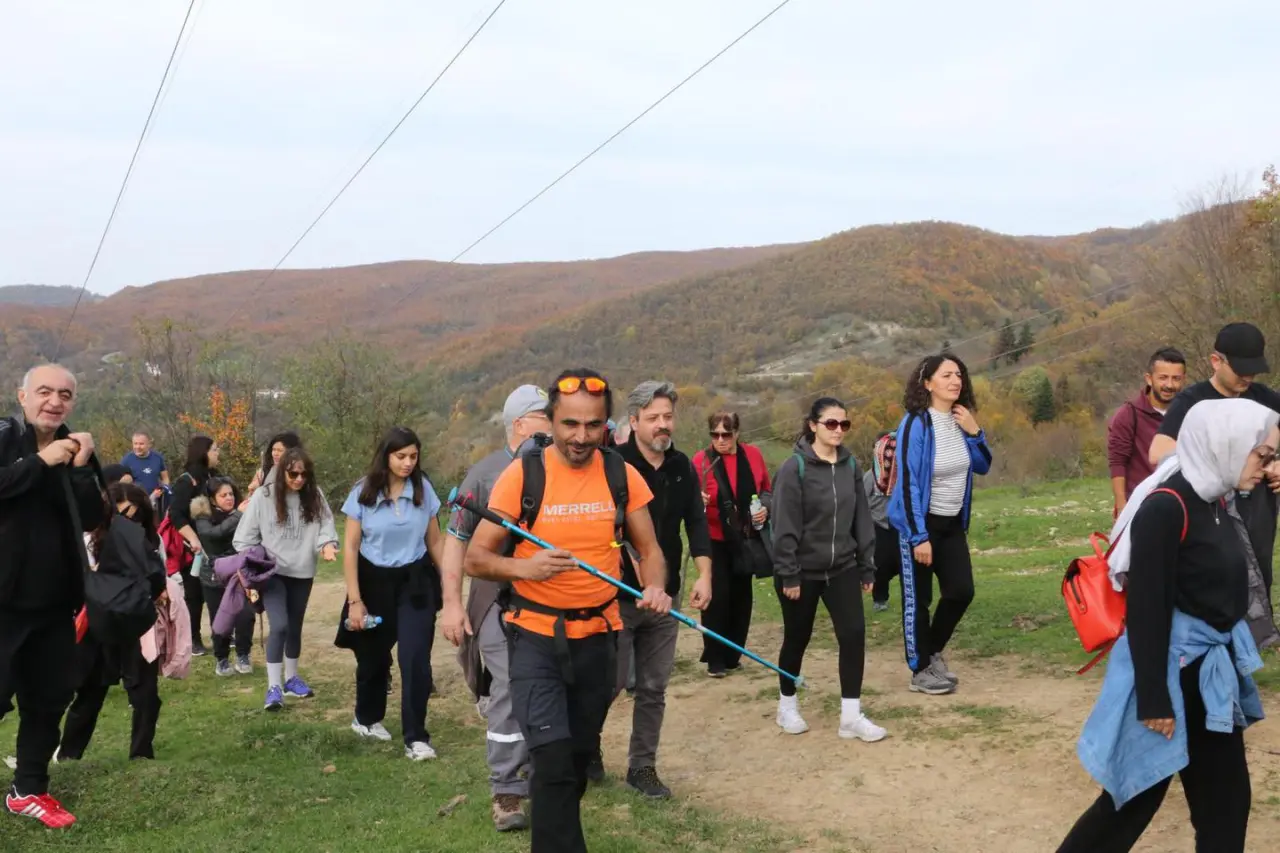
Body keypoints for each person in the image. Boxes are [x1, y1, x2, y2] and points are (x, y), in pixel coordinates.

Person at [1057, 399, 1280, 853]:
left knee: (1227, 805)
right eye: (1262, 455)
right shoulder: (1168, 505)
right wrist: (1154, 698)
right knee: (1130, 803)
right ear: (1229, 446)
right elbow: (1146, 608)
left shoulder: (1216, 498)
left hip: (1208, 676)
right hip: (1173, 677)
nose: (1267, 466)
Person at [464, 368, 670, 853]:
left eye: (592, 425)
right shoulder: (524, 475)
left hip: (600, 636)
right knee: (552, 759)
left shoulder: (621, 473)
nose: (581, 437)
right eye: (570, 424)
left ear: (606, 425)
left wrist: (656, 584)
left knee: (576, 760)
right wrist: (526, 568)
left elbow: (650, 549)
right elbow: (477, 557)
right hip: (534, 637)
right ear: (551, 422)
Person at [442, 384, 551, 833]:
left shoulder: (558, 469)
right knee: (509, 685)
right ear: (520, 423)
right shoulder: (483, 475)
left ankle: (543, 768)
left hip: (549, 599)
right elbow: (456, 541)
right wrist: (451, 604)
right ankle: (506, 790)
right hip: (494, 599)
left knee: (547, 686)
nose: (554, 424)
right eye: (545, 416)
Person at [0, 364, 105, 829]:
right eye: (44, 391)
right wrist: (42, 463)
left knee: (47, 700)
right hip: (2, 604)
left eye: (64, 393)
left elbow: (89, 518)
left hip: (56, 603)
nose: (54, 401)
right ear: (21, 396)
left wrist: (80, 469)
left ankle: (29, 789)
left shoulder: (77, 448)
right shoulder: (5, 438)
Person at [607, 381, 713, 798]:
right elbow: (609, 532)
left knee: (653, 687)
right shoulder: (613, 465)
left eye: (667, 417)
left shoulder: (683, 466)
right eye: (653, 418)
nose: (662, 425)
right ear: (633, 422)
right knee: (608, 683)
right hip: (617, 595)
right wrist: (639, 575)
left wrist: (704, 575)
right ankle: (589, 752)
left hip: (664, 599)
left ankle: (642, 767)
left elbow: (697, 525)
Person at [770, 397, 886, 742]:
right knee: (797, 638)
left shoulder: (850, 466)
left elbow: (862, 519)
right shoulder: (795, 468)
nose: (838, 430)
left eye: (844, 424)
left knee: (853, 635)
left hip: (843, 568)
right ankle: (786, 706)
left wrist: (867, 566)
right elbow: (784, 524)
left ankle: (850, 716)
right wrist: (788, 572)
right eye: (830, 424)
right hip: (801, 572)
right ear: (813, 426)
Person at [337, 427, 446, 762]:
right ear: (386, 456)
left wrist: (452, 591)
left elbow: (436, 542)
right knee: (373, 660)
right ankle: (366, 718)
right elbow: (351, 547)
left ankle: (416, 738)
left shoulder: (423, 489)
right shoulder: (363, 492)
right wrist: (355, 601)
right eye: (401, 456)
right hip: (373, 581)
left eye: (413, 456)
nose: (408, 463)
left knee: (415, 659)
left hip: (415, 582)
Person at [1147, 323, 1280, 595]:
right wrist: (1236, 466)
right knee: (1220, 586)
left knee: (1258, 584)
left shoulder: (1266, 400)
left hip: (1258, 515)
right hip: (1212, 516)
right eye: (1240, 369)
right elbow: (1158, 453)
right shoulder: (1191, 402)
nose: (1248, 377)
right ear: (1216, 361)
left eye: (1253, 370)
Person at [888, 353, 993, 696]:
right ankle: (920, 671)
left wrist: (975, 432)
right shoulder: (916, 423)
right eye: (947, 374)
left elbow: (982, 466)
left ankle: (930, 651)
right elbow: (907, 482)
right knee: (918, 599)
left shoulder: (961, 420)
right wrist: (918, 536)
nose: (956, 380)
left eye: (959, 374)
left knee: (962, 591)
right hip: (920, 526)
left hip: (951, 525)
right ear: (927, 383)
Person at [59, 483, 167, 763]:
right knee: (90, 692)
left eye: (130, 512)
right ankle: (69, 755)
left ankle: (141, 753)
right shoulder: (89, 539)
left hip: (133, 622)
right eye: (119, 513)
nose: (125, 520)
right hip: (99, 622)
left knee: (145, 691)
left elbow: (158, 578)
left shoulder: (149, 540)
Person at [234, 447, 338, 711]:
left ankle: (292, 679)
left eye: (304, 474)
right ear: (282, 473)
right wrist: (256, 560)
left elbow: (326, 524)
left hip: (302, 571)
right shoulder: (264, 496)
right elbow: (244, 537)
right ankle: (274, 686)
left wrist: (327, 544)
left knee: (294, 627)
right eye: (293, 474)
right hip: (274, 573)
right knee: (279, 626)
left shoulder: (314, 496)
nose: (299, 479)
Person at [691, 411, 771, 677]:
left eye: (727, 434)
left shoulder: (753, 455)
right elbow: (689, 500)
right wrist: (696, 501)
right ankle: (715, 658)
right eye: (715, 434)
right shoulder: (701, 461)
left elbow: (766, 491)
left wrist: (765, 509)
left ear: (737, 433)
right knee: (717, 598)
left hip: (745, 536)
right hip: (714, 538)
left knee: (741, 598)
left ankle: (733, 654)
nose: (721, 440)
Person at [1107, 348, 1186, 515]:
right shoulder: (1129, 414)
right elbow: (1118, 462)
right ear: (1149, 379)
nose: (1169, 385)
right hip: (1141, 506)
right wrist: (1122, 507)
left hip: (1182, 505)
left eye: (1176, 378)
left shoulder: (1190, 413)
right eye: (1163, 378)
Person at [192, 477, 254, 676]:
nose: (229, 498)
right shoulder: (203, 517)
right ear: (212, 499)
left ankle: (243, 654)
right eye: (223, 495)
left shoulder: (243, 512)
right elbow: (214, 535)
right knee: (220, 618)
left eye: (231, 494)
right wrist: (238, 515)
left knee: (246, 615)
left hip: (240, 573)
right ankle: (222, 658)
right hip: (214, 575)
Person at [168, 435, 220, 658]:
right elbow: (176, 515)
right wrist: (193, 540)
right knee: (194, 594)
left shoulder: (214, 477)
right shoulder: (186, 481)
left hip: (214, 542)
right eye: (215, 449)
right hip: (193, 549)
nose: (218, 453)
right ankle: (194, 638)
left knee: (217, 590)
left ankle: (221, 633)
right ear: (203, 452)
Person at [866, 432, 899, 612]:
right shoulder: (870, 477)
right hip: (879, 525)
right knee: (880, 564)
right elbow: (861, 501)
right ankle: (880, 600)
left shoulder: (902, 472)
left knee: (903, 562)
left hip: (900, 525)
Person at [120, 430, 169, 504]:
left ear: (149, 444)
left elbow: (165, 478)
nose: (138, 447)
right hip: (136, 503)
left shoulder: (158, 457)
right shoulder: (126, 460)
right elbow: (120, 484)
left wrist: (163, 490)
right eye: (135, 444)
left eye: (141, 444)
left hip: (156, 501)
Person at [248, 431, 302, 497]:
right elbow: (251, 499)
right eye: (274, 449)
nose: (275, 454)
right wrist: (253, 491)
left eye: (280, 450)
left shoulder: (299, 474)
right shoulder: (263, 472)